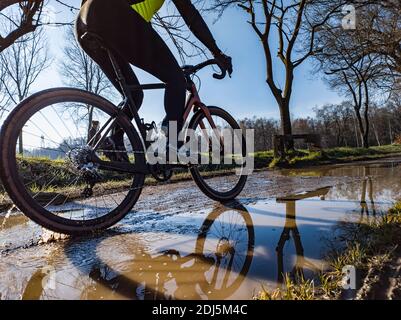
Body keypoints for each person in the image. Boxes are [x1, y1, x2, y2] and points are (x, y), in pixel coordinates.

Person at [76, 0, 233, 160]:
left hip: (84, 21)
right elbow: (190, 16)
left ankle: (113, 142)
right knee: (175, 78)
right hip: (113, 13)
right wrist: (216, 52)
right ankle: (171, 143)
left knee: (135, 96)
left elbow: (143, 28)